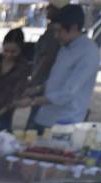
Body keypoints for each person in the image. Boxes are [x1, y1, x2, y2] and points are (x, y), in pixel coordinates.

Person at [17, 4, 100, 130]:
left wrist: (32, 101)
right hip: (45, 115)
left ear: (74, 28)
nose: (56, 36)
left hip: (65, 121)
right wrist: (36, 89)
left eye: (59, 31)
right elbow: (57, 79)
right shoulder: (65, 47)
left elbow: (67, 93)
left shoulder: (89, 52)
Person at [23, 0, 68, 129]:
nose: (47, 9)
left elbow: (47, 59)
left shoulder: (54, 33)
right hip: (43, 80)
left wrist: (34, 79)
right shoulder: (52, 31)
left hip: (43, 80)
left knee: (35, 119)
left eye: (51, 7)